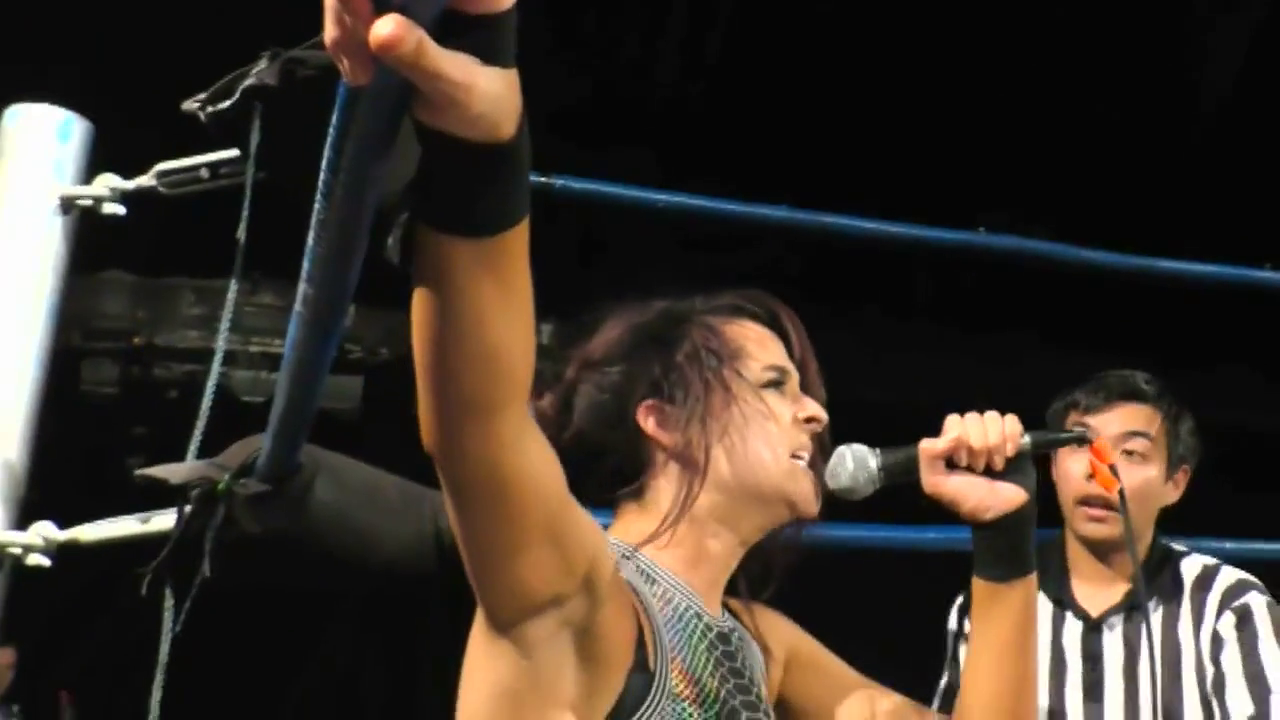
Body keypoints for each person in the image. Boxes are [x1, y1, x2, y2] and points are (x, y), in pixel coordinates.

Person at [324, 1, 1040, 716]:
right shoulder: (575, 586)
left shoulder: (765, 649)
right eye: (774, 384)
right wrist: (480, 146)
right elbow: (478, 422)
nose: (816, 415)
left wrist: (1006, 538)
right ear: (662, 420)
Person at [933, 369, 1280, 719]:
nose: (1099, 470)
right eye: (1079, 443)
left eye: (1131, 452)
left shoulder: (1229, 605)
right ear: (1052, 465)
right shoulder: (993, 602)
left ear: (1175, 483)